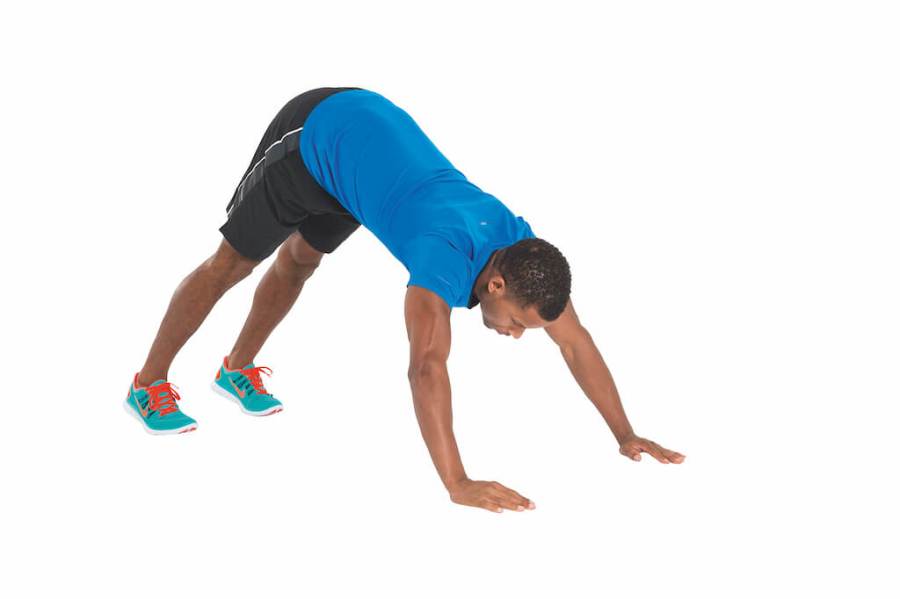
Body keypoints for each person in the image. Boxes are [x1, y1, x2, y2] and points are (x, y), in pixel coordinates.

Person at [124, 86, 685, 512]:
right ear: (494, 285)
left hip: (360, 169)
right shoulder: (441, 258)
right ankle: (147, 384)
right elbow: (425, 368)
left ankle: (235, 369)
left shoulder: (521, 250)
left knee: (299, 261)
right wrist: (457, 482)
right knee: (233, 264)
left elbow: (576, 343)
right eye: (516, 323)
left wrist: (625, 433)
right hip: (317, 134)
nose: (515, 335)